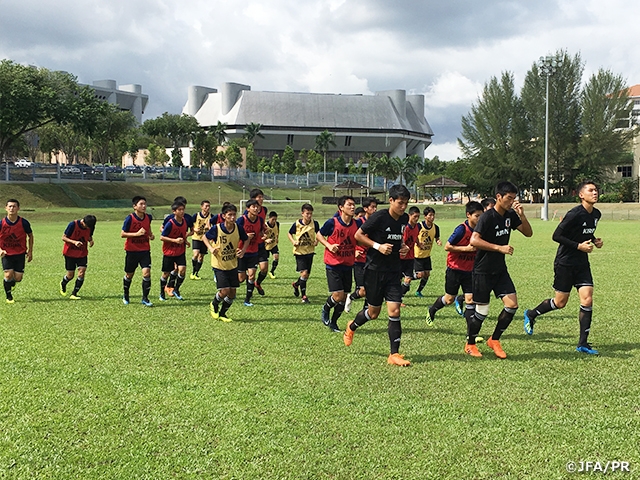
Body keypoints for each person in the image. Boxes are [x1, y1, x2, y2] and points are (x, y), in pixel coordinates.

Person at [523, 181, 603, 355]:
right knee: (560, 303)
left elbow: (585, 233)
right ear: (581, 195)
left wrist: (595, 240)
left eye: (596, 190)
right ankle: (531, 314)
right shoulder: (574, 214)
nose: (595, 193)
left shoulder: (596, 214)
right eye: (591, 190)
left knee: (587, 299)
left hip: (582, 263)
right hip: (565, 262)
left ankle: (583, 343)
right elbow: (556, 236)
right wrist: (578, 246)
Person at [343, 184, 412, 367]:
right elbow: (358, 235)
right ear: (391, 201)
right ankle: (352, 326)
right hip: (374, 271)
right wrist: (377, 246)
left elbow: (399, 237)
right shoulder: (379, 217)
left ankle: (394, 354)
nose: (403, 207)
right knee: (373, 313)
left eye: (405, 203)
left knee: (395, 310)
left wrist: (402, 246)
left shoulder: (404, 219)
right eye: (400, 203)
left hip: (393, 272)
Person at [464, 182, 533, 358]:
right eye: (509, 198)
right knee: (482, 311)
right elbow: (474, 240)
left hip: (500, 269)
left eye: (514, 198)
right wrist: (498, 248)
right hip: (483, 270)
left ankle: (494, 339)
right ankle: (470, 343)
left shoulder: (510, 215)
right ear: (499, 197)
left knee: (512, 305)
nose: (512, 202)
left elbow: (528, 233)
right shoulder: (487, 217)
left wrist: (522, 216)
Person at [427, 202, 483, 330]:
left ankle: (471, 335)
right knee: (449, 299)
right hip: (455, 269)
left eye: (481, 216)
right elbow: (447, 246)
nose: (479, 219)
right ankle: (432, 309)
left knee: (470, 300)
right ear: (468, 215)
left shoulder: (481, 230)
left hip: (470, 270)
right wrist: (466, 249)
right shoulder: (461, 229)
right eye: (477, 216)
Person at [317, 196, 362, 332]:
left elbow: (360, 239)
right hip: (333, 264)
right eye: (349, 205)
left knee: (343, 299)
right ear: (341, 208)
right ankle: (325, 308)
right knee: (338, 296)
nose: (353, 207)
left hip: (348, 264)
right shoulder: (332, 222)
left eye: (354, 205)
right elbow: (319, 235)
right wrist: (329, 245)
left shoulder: (357, 224)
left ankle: (334, 323)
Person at [203, 203, 249, 322]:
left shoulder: (238, 228)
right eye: (230, 215)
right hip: (219, 265)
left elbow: (247, 238)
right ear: (224, 216)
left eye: (234, 215)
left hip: (232, 264)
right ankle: (214, 303)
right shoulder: (217, 228)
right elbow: (204, 237)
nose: (233, 217)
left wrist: (243, 250)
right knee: (225, 290)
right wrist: (211, 248)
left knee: (232, 293)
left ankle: (223, 314)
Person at [345, 197, 377, 313]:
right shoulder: (358, 222)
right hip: (359, 260)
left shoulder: (377, 222)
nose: (375, 209)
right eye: (372, 207)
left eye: (375, 207)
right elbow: (349, 238)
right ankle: (351, 297)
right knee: (363, 291)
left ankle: (365, 309)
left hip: (372, 260)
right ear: (365, 208)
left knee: (371, 287)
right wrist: (354, 251)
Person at [121, 196, 155, 307]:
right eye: (141, 204)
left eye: (145, 204)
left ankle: (145, 298)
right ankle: (126, 294)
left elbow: (148, 227)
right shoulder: (129, 218)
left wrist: (150, 234)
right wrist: (136, 234)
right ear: (135, 206)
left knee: (147, 273)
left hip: (145, 250)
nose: (144, 206)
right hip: (132, 251)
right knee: (129, 275)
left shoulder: (148, 217)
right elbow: (122, 234)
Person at [0, 199, 34, 304]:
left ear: (18, 208)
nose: (12, 208)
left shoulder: (24, 222)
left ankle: (11, 283)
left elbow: (30, 236)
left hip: (20, 253)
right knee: (8, 274)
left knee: (18, 278)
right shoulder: (1, 223)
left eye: (14, 206)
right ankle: (9, 296)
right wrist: (0, 250)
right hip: (6, 253)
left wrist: (30, 251)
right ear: (5, 208)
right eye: (9, 206)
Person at [288, 203, 319, 304]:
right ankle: (304, 296)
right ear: (302, 214)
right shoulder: (297, 224)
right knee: (304, 273)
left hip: (310, 252)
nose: (309, 216)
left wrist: (316, 241)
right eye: (307, 213)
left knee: (306, 275)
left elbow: (319, 234)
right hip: (299, 252)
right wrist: (293, 241)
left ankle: (296, 284)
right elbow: (289, 233)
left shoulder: (315, 223)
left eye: (310, 213)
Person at [60, 214, 97, 300]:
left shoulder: (90, 226)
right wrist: (74, 242)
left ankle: (74, 293)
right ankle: (63, 283)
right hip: (70, 253)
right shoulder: (72, 225)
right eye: (86, 226)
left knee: (82, 271)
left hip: (82, 253)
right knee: (70, 275)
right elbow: (63, 237)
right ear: (83, 221)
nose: (87, 228)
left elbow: (89, 236)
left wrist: (91, 240)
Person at [237, 199, 265, 306]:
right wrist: (245, 236)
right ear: (248, 209)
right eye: (253, 207)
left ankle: (247, 299)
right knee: (241, 278)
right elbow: (234, 233)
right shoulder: (241, 220)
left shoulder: (260, 220)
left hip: (253, 252)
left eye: (257, 207)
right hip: (241, 252)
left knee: (252, 276)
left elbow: (261, 232)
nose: (256, 208)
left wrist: (264, 237)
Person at [159, 201, 190, 301]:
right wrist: (174, 240)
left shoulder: (184, 222)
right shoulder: (170, 223)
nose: (182, 212)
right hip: (169, 252)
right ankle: (161, 293)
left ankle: (176, 289)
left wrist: (185, 241)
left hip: (180, 251)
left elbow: (182, 234)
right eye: (179, 210)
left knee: (182, 270)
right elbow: (162, 237)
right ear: (174, 212)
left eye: (183, 209)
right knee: (166, 274)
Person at [246, 189, 270, 295]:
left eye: (262, 196)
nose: (261, 199)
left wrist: (264, 229)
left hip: (261, 244)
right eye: (259, 197)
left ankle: (257, 283)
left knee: (264, 269)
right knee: (244, 275)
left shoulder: (264, 209)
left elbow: (261, 224)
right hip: (250, 246)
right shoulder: (247, 213)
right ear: (253, 199)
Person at [414, 207, 441, 297]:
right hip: (417, 254)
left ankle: (418, 291)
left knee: (427, 274)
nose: (432, 217)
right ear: (425, 216)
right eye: (430, 215)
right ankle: (406, 277)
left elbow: (437, 238)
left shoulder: (436, 227)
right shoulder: (419, 226)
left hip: (427, 255)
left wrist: (438, 241)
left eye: (433, 215)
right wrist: (418, 243)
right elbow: (413, 236)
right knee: (420, 274)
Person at [400, 206, 421, 299]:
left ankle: (399, 297)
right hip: (401, 258)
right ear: (409, 216)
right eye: (414, 216)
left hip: (410, 257)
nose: (416, 219)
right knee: (399, 279)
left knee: (408, 279)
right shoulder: (406, 228)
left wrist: (419, 244)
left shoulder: (416, 227)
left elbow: (415, 237)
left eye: (418, 217)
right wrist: (405, 247)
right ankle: (396, 298)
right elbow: (402, 241)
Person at [190, 200, 212, 280]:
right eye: (206, 206)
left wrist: (209, 228)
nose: (207, 207)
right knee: (196, 254)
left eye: (209, 206)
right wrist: (194, 229)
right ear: (202, 207)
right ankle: (193, 271)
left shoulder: (211, 216)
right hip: (196, 237)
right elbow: (190, 224)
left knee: (201, 257)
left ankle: (196, 272)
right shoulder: (196, 215)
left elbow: (213, 227)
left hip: (205, 239)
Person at [265, 211, 280, 279]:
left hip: (273, 244)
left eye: (275, 219)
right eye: (272, 219)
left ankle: (272, 271)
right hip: (265, 246)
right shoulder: (265, 225)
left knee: (276, 257)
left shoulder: (277, 224)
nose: (274, 221)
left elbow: (277, 231)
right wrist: (265, 240)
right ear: (269, 218)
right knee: (264, 263)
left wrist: (277, 238)